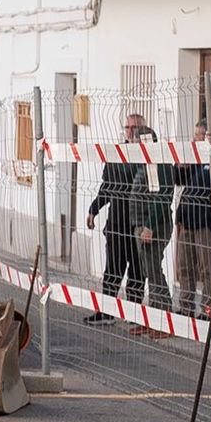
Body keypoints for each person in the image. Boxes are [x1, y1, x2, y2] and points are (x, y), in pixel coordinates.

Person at [84, 111, 147, 319]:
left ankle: (133, 312)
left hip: (138, 222)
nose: (131, 131)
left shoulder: (150, 154)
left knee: (137, 271)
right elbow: (107, 187)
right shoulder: (117, 153)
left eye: (135, 127)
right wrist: (94, 209)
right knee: (112, 269)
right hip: (117, 221)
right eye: (128, 127)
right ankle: (107, 312)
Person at [172, 120, 211, 316]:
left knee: (208, 269)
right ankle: (185, 307)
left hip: (207, 225)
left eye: (198, 136)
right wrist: (181, 167)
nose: (194, 140)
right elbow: (178, 181)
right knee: (185, 267)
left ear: (210, 137)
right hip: (187, 220)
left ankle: (208, 310)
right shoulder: (196, 159)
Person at [130, 125, 175, 322]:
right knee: (149, 270)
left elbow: (163, 196)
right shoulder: (146, 163)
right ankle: (153, 317)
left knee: (154, 271)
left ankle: (164, 319)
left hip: (155, 226)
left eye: (135, 143)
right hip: (142, 224)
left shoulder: (158, 163)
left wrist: (149, 226)